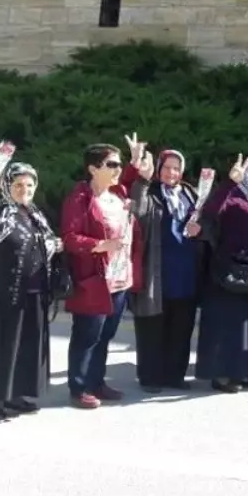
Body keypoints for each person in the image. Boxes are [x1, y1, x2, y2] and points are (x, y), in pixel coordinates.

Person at [0, 162, 62, 422]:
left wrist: (55, 245)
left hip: (33, 292)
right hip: (2, 294)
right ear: (8, 186)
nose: (25, 189)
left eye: (30, 185)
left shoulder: (34, 214)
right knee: (2, 348)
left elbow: (41, 243)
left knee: (26, 348)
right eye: (18, 184)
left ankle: (17, 395)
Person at [62, 143, 143, 410]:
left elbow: (129, 178)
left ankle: (96, 381)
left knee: (105, 335)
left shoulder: (117, 193)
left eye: (119, 165)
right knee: (87, 336)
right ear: (93, 169)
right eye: (112, 164)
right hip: (94, 280)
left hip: (119, 278)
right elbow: (70, 238)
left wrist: (134, 161)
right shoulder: (81, 198)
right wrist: (99, 245)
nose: (118, 169)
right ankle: (79, 387)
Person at [197, 154, 248, 393]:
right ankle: (225, 375)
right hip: (232, 271)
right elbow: (211, 211)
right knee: (231, 326)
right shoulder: (235, 196)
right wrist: (230, 182)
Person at [128, 145, 204, 393]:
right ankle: (150, 377)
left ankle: (175, 375)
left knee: (181, 326)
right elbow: (136, 213)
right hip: (157, 271)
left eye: (176, 168)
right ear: (159, 169)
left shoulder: (192, 194)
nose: (171, 173)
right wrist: (142, 178)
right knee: (152, 327)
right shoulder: (149, 192)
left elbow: (210, 222)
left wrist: (201, 229)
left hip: (186, 272)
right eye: (167, 168)